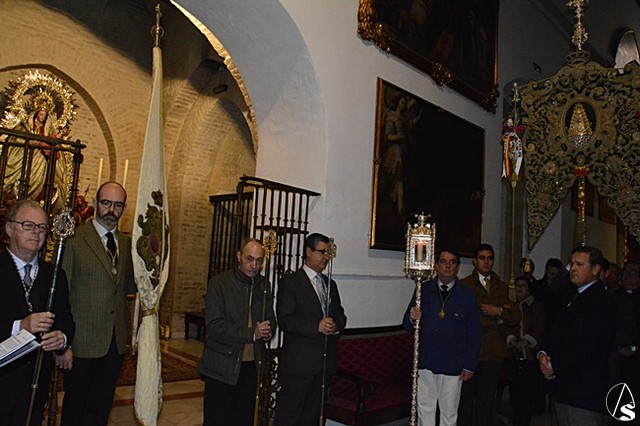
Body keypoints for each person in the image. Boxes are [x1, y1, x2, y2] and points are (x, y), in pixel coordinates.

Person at [57, 181, 136, 426]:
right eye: (106, 203)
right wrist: (64, 345)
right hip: (82, 342)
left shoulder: (127, 244)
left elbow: (128, 288)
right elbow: (61, 295)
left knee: (101, 407)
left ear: (124, 209)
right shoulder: (75, 240)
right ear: (95, 203)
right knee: (75, 408)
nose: (111, 210)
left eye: (118, 205)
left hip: (114, 342)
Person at [0, 199, 74, 425]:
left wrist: (62, 338)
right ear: (9, 229)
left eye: (42, 227)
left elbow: (66, 320)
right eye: (28, 225)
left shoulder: (54, 275)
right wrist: (20, 326)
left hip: (36, 383)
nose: (36, 232)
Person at [198, 238, 276, 426]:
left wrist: (268, 331)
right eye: (249, 259)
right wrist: (251, 334)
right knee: (218, 420)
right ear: (238, 256)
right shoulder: (219, 283)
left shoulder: (263, 285)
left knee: (243, 419)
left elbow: (270, 318)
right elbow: (215, 326)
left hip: (251, 367)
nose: (254, 266)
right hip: (222, 365)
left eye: (259, 260)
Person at [538, 246, 618, 425]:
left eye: (579, 264)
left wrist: (554, 364)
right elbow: (556, 331)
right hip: (564, 389)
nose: (573, 268)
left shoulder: (601, 301)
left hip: (585, 393)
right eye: (571, 264)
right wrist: (543, 353)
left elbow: (591, 345)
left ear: (596, 269)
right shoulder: (574, 297)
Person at [275, 233, 347, 426]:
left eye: (328, 253)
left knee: (313, 415)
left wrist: (335, 326)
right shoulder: (291, 282)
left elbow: (341, 315)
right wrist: (316, 326)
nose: (326, 257)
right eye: (322, 252)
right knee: (290, 415)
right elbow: (285, 320)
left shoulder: (330, 284)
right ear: (309, 251)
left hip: (324, 363)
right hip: (299, 364)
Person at [403, 249, 480, 426]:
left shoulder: (467, 295)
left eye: (452, 262)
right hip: (426, 360)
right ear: (436, 265)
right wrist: (412, 317)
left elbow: (474, 333)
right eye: (443, 261)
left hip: (453, 362)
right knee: (425, 409)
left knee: (449, 412)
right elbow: (407, 323)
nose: (447, 266)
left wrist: (469, 365)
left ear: (458, 267)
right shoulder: (423, 290)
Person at [458, 243, 521, 426]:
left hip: (494, 352)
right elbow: (464, 317)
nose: (486, 262)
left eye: (489, 258)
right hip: (470, 352)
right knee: (465, 401)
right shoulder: (464, 285)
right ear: (475, 261)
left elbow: (515, 316)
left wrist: (499, 311)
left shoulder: (502, 286)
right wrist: (496, 321)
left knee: (486, 401)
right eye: (482, 258)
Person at [506, 276, 545, 426]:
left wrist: (526, 341)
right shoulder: (510, 306)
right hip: (514, 357)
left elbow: (540, 327)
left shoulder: (536, 306)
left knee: (526, 398)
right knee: (514, 397)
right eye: (517, 286)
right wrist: (512, 340)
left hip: (529, 357)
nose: (520, 289)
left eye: (523, 286)